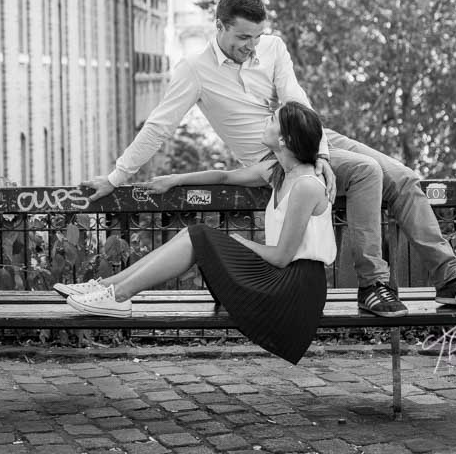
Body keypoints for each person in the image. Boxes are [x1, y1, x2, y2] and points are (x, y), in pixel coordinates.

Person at [79, 0, 456, 317]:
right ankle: (373, 285)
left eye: (257, 36)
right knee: (368, 171)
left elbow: (295, 98)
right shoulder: (194, 71)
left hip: (313, 138)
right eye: (244, 37)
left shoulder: (273, 48)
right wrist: (116, 178)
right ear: (220, 27)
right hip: (278, 160)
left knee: (405, 177)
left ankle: (451, 279)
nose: (252, 45)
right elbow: (159, 126)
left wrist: (318, 151)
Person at [63, 102, 335, 365]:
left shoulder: (306, 186)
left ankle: (118, 297)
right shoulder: (277, 171)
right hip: (276, 277)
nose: (266, 121)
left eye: (273, 119)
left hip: (293, 289)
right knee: (194, 234)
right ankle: (108, 287)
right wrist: (175, 179)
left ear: (285, 139)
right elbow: (224, 177)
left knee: (199, 235)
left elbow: (281, 257)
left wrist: (241, 242)